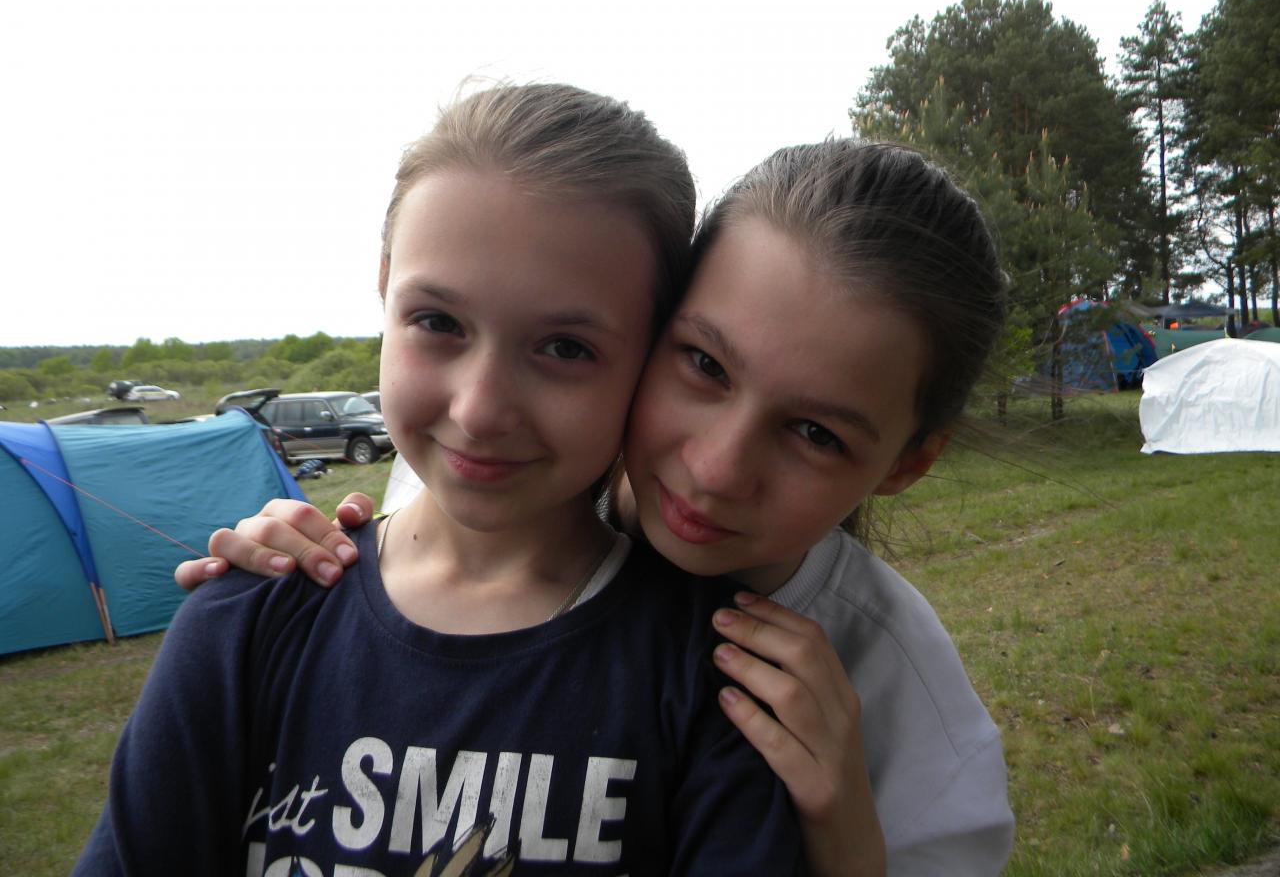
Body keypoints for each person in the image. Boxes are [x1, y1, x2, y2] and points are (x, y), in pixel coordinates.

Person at [181, 139, 1017, 876]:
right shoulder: (497, 477)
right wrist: (282, 554)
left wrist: (848, 846)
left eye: (815, 433)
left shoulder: (910, 705)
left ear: (908, 463)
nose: (716, 470)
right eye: (705, 365)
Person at [76, 84, 804, 877]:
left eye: (565, 347)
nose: (480, 409)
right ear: (384, 286)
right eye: (438, 323)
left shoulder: (715, 678)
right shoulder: (246, 622)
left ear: (652, 352)